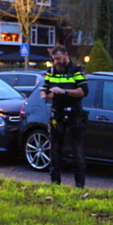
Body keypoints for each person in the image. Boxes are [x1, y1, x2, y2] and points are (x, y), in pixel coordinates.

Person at [40, 45, 89, 188]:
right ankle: (55, 184)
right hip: (58, 112)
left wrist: (64, 91)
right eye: (54, 59)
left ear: (66, 55)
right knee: (54, 149)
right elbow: (45, 89)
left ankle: (79, 185)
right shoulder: (52, 71)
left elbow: (84, 91)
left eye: (59, 59)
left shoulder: (76, 70)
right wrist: (45, 94)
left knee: (77, 150)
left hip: (74, 113)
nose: (56, 62)